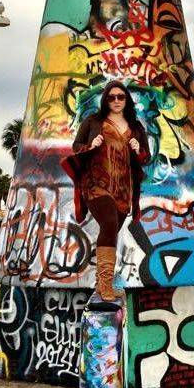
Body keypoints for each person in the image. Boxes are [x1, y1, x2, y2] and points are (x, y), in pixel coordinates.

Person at [61, 81, 151, 301]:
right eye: (111, 97)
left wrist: (138, 149)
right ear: (105, 100)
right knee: (109, 223)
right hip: (96, 184)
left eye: (121, 97)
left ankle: (103, 286)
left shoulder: (136, 127)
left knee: (111, 231)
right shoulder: (93, 121)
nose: (116, 101)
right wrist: (91, 145)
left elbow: (145, 157)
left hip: (123, 189)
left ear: (126, 99)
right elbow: (76, 145)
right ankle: (104, 284)